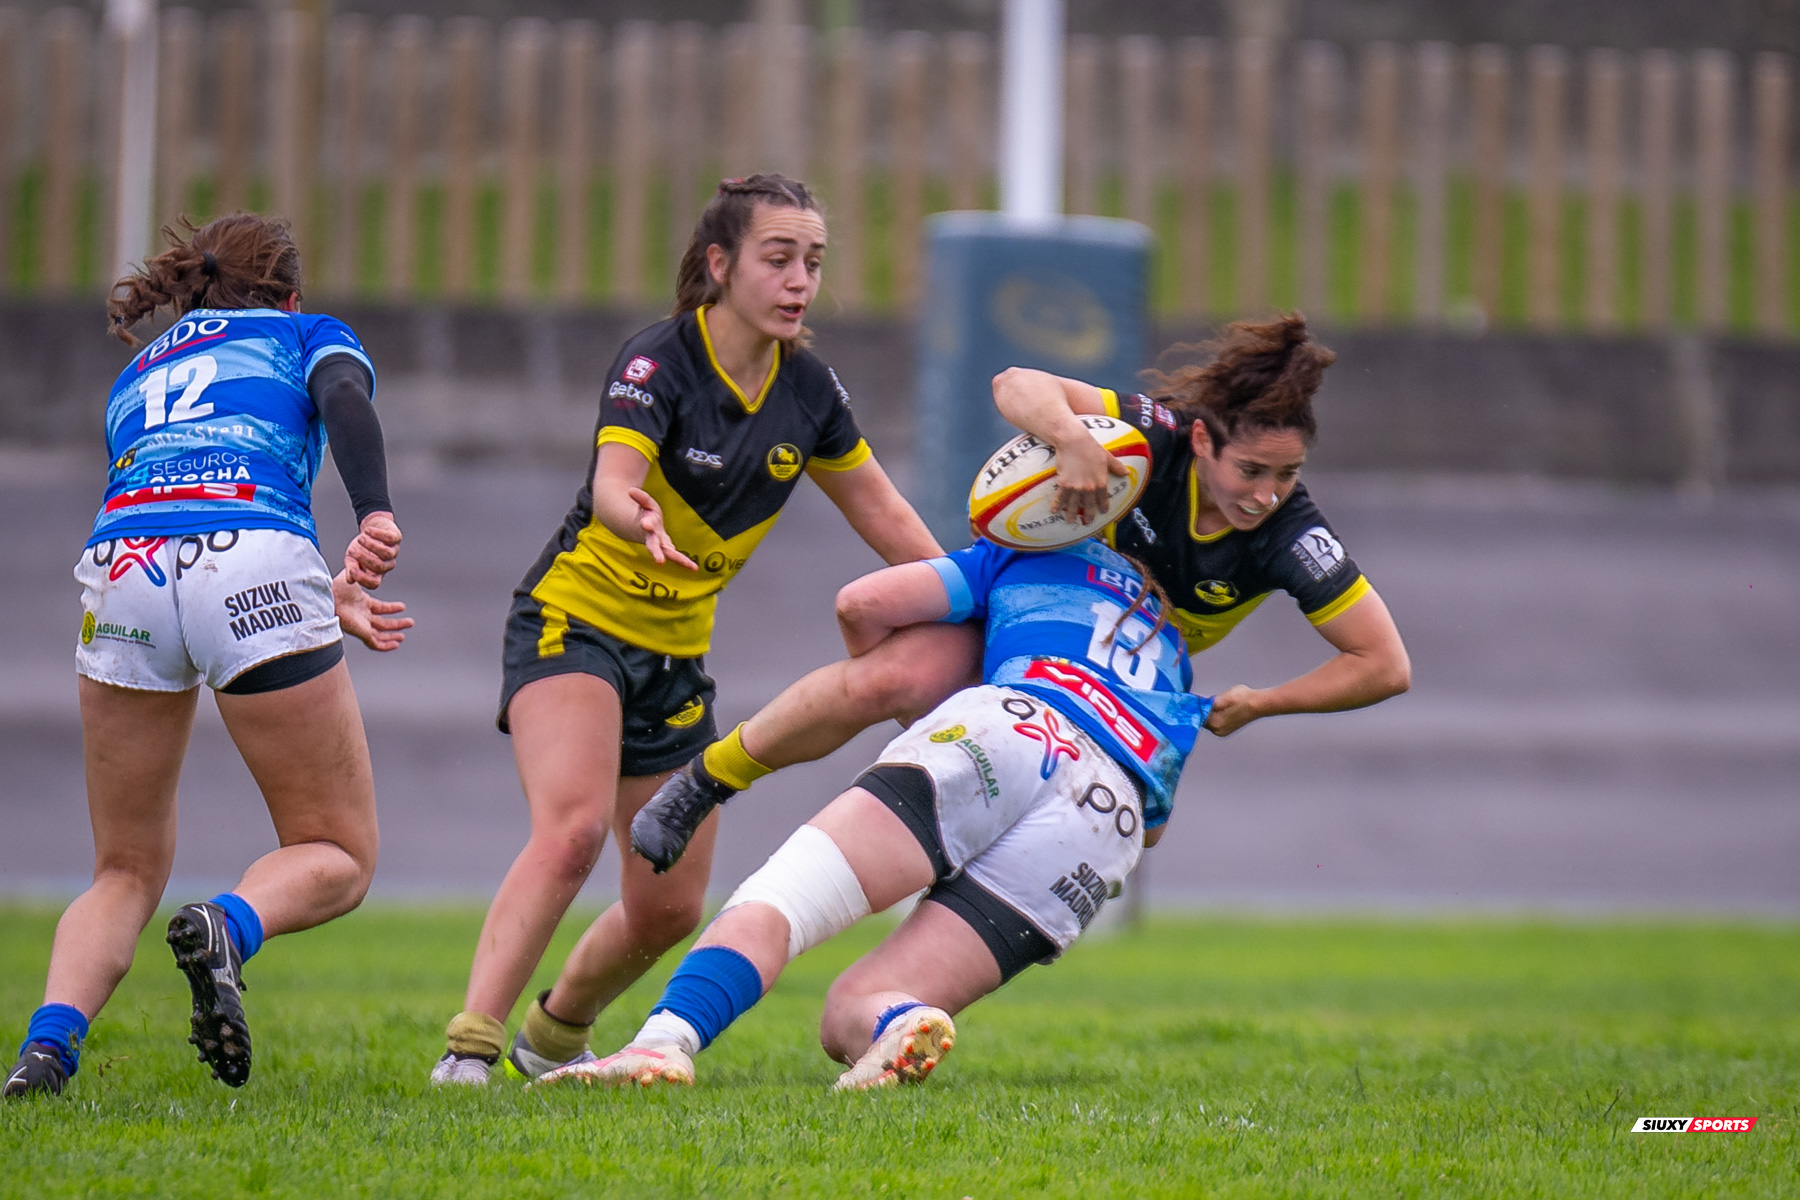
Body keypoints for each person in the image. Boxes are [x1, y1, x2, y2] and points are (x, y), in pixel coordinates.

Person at [429, 174, 944, 1086]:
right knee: (574, 831)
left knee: (668, 904)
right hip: (572, 620)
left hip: (674, 660)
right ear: (720, 264)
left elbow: (889, 521)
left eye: (813, 263)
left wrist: (969, 593)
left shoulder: (811, 391)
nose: (798, 281)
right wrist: (637, 516)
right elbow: (615, 480)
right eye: (778, 259)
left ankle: (553, 1036)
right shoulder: (659, 360)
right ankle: (467, 1050)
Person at [633, 313, 1410, 870]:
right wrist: (1073, 439)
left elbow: (1382, 663)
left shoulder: (1289, 537)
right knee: (866, 617)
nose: (1268, 493)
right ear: (1204, 439)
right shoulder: (1157, 435)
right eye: (1252, 471)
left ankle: (931, 778)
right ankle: (711, 778)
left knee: (1133, 827)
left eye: (1288, 475)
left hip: (1115, 667)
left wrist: (1267, 701)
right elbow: (1017, 382)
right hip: (1034, 580)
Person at [539, 534, 1205, 1090]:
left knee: (781, 902)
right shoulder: (1174, 654)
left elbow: (862, 602)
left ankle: (662, 1043)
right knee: (848, 1013)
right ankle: (897, 1021)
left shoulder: (1027, 553)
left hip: (1013, 726)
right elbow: (1156, 826)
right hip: (1105, 817)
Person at [3, 213, 410, 1098]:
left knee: (122, 868)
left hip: (123, 571)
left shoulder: (136, 373)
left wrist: (319, 599)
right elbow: (344, 400)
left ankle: (45, 1051)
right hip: (253, 559)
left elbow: (173, 496)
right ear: (290, 295)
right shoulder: (305, 333)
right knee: (337, 853)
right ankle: (229, 924)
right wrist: (371, 510)